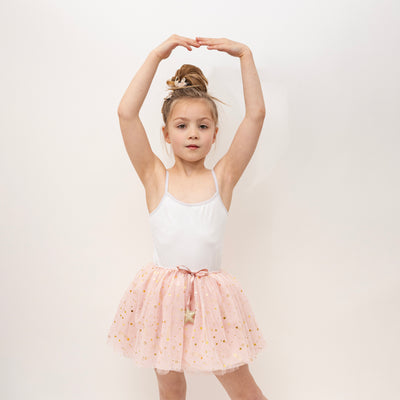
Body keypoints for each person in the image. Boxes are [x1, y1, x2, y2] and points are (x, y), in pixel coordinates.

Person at [107, 34, 269, 400]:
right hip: (163, 298)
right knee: (170, 384)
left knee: (241, 385)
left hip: (213, 301)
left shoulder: (223, 177)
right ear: (165, 134)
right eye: (181, 126)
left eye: (202, 126)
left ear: (214, 135)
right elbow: (125, 113)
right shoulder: (154, 177)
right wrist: (156, 54)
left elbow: (255, 116)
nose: (192, 134)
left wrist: (245, 55)